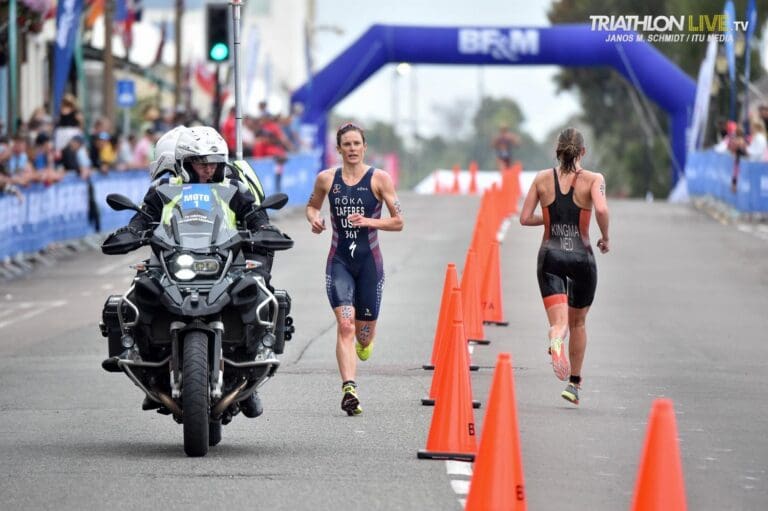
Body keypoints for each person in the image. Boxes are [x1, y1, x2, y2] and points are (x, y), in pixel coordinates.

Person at [112, 125, 273, 418]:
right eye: (201, 163)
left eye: (213, 163)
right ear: (185, 164)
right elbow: (143, 217)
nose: (208, 169)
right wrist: (130, 231)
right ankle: (147, 366)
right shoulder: (163, 189)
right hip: (175, 256)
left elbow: (255, 214)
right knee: (136, 294)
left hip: (223, 256)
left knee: (258, 292)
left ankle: (252, 372)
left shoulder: (234, 188)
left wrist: (263, 229)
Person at [305, 122, 404, 416]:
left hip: (369, 264)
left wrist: (370, 222)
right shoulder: (326, 179)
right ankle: (349, 388)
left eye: (356, 144)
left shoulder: (379, 179)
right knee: (345, 325)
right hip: (339, 262)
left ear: (364, 147)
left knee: (363, 336)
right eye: (346, 144)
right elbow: (312, 206)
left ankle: (365, 343)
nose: (352, 149)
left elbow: (398, 221)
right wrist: (314, 219)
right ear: (338, 149)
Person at [519, 127, 610, 405]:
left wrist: (550, 220)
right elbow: (603, 210)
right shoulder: (594, 180)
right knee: (579, 322)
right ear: (583, 152)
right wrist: (605, 237)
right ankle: (574, 384)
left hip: (551, 257)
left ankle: (555, 338)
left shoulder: (542, 179)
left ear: (556, 151)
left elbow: (524, 218)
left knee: (559, 324)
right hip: (581, 257)